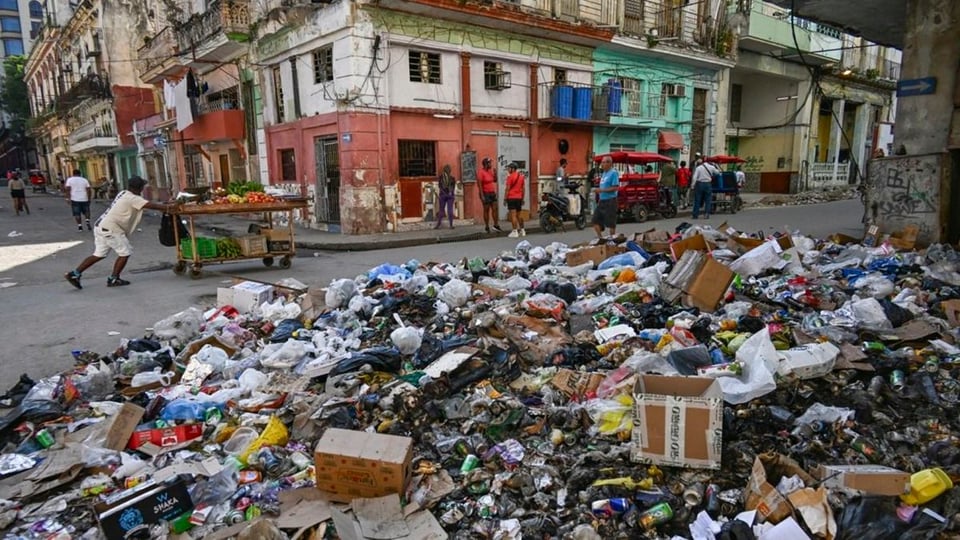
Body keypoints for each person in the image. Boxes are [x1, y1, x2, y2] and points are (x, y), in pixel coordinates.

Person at [64, 176, 177, 289]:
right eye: (142, 186)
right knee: (125, 252)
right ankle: (113, 279)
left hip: (101, 226)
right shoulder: (133, 198)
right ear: (139, 188)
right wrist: (169, 207)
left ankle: (74, 274)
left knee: (99, 254)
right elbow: (152, 206)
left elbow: (147, 203)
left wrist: (166, 204)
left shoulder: (123, 193)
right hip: (111, 229)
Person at [592, 155, 619, 243]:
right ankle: (601, 238)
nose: (602, 164)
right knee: (595, 220)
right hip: (602, 200)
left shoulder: (613, 173)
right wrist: (598, 190)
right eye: (602, 162)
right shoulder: (604, 173)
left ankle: (612, 240)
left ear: (609, 163)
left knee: (611, 223)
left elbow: (615, 187)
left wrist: (602, 190)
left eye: (604, 162)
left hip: (610, 200)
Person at [478, 157, 501, 234]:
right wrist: (482, 196)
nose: (491, 164)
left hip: (492, 193)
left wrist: (495, 174)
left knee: (495, 208)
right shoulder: (481, 172)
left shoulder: (490, 171)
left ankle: (496, 225)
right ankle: (487, 226)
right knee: (486, 210)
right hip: (485, 193)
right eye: (489, 163)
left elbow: (495, 180)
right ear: (486, 164)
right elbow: (479, 185)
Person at [504, 162, 526, 238]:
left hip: (511, 198)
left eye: (509, 168)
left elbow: (507, 189)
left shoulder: (510, 177)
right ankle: (522, 230)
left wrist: (505, 198)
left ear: (513, 169)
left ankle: (514, 231)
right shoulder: (521, 177)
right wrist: (522, 198)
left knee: (513, 215)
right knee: (519, 215)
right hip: (519, 198)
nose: (508, 169)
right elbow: (523, 189)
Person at [434, 164, 456, 229]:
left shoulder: (441, 178)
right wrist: (450, 193)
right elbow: (453, 188)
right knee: (450, 210)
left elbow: (440, 187)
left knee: (441, 210)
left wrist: (443, 193)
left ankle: (438, 224)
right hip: (450, 195)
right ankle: (451, 225)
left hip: (443, 195)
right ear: (450, 171)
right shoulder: (452, 178)